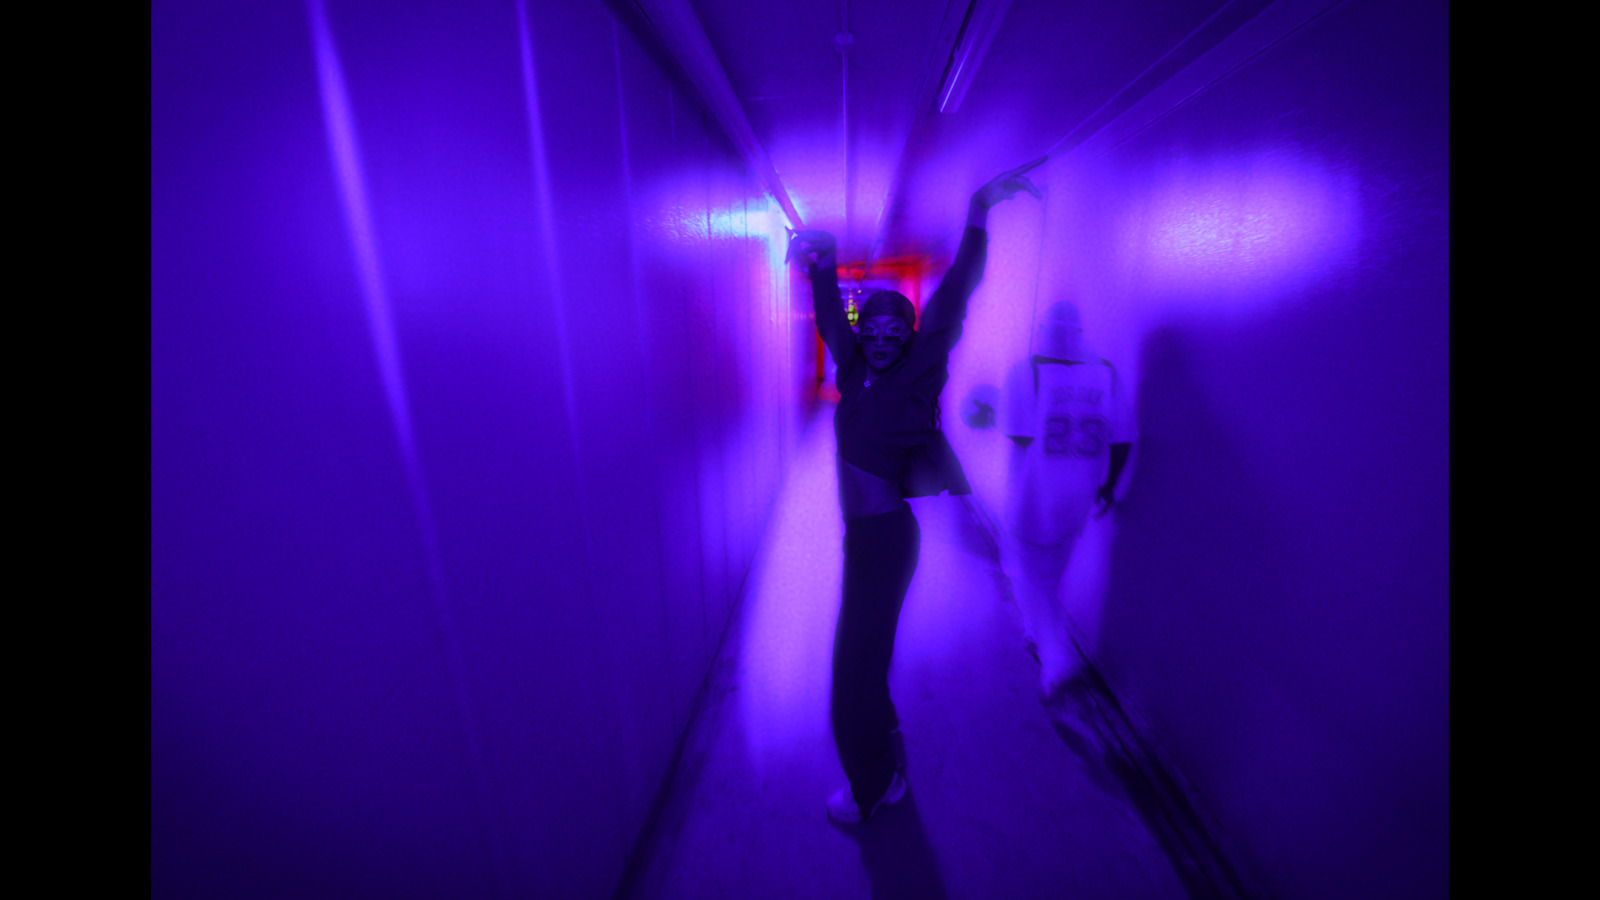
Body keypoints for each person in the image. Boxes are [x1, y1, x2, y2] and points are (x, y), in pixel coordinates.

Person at [789, 157, 1046, 825]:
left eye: (891, 331)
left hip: (885, 541)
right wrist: (819, 261)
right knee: (864, 660)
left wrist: (978, 211)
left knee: (849, 678)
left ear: (908, 336)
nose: (878, 340)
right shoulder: (852, 372)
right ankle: (889, 749)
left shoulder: (918, 372)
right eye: (870, 330)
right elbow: (830, 319)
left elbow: (955, 294)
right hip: (864, 541)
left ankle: (875, 789)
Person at [999, 300, 1134, 699]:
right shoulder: (1105, 374)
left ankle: (1057, 662)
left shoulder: (1027, 373)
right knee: (1052, 569)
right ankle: (1034, 632)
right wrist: (1107, 486)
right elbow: (1122, 437)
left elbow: (1020, 441)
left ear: (1044, 330)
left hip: (1036, 493)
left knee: (1025, 572)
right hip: (1081, 493)